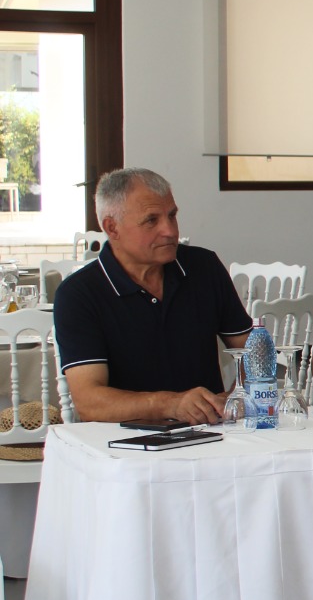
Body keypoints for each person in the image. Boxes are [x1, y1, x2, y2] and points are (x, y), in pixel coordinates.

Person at [53, 167, 253, 424]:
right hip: (122, 440)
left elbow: (252, 349)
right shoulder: (79, 294)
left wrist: (237, 396)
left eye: (172, 215)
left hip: (210, 434)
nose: (169, 230)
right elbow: (90, 403)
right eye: (151, 220)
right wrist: (171, 404)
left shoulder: (203, 267)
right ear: (112, 228)